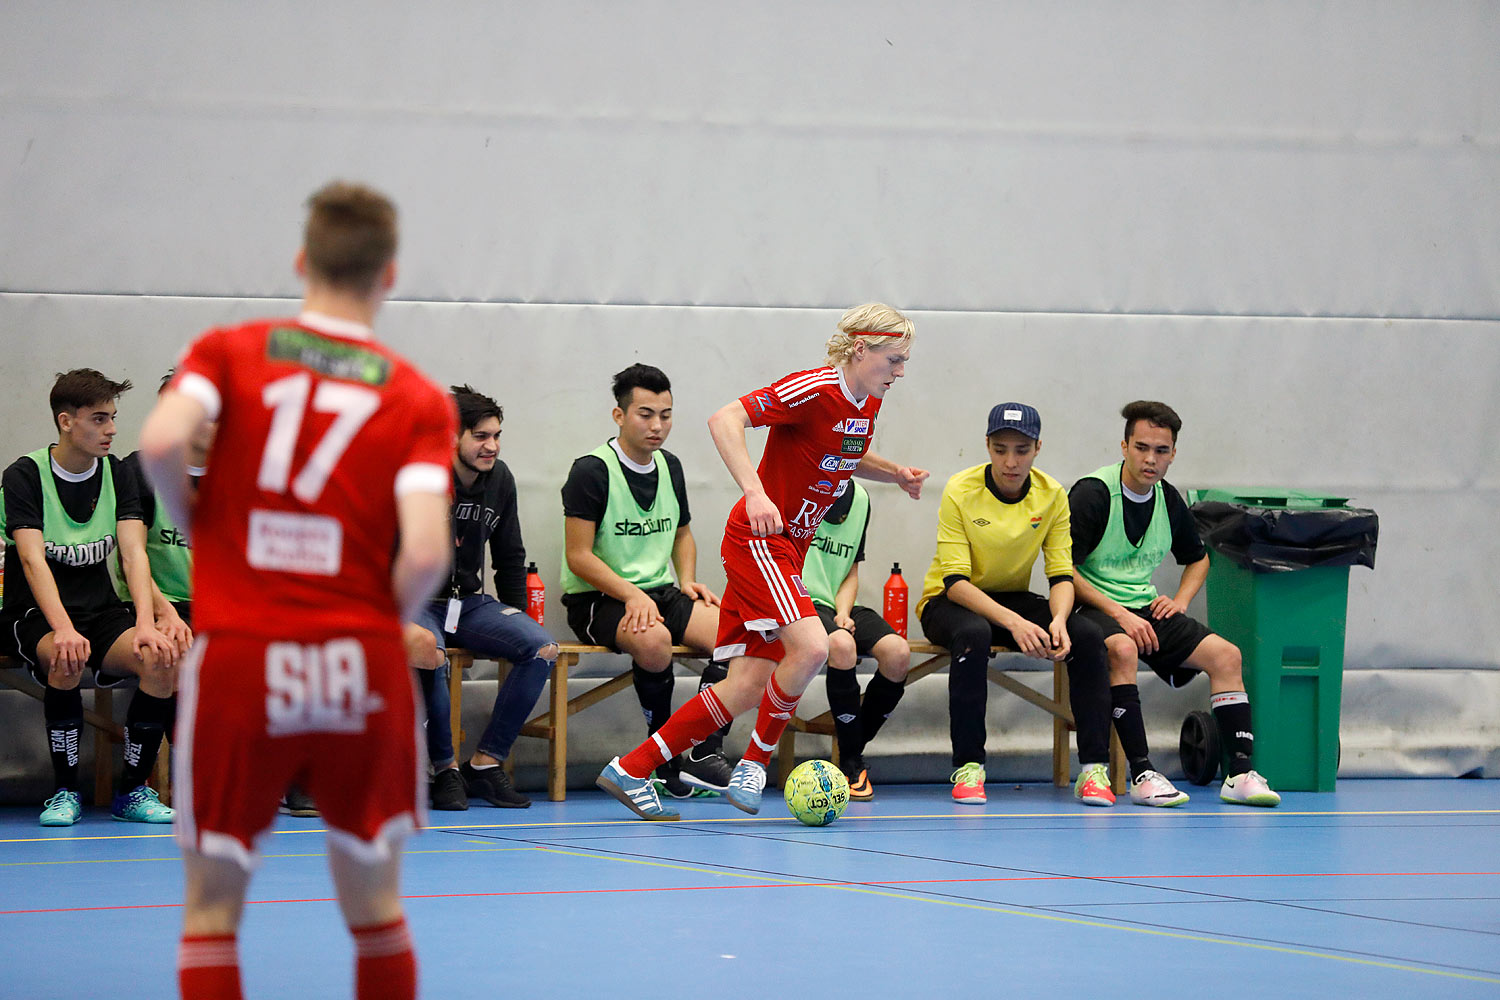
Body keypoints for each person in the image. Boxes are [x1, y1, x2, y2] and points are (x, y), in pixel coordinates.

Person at [140, 181, 455, 1000]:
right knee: (378, 909)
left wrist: (198, 519)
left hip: (244, 653)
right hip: (358, 659)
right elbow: (426, 551)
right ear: (389, 275)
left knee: (211, 911)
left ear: (300, 260)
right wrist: (373, 624)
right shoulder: (417, 397)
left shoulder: (231, 350)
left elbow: (162, 438)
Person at [597, 302, 929, 820]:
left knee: (748, 685)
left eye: (905, 361)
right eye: (894, 360)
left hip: (788, 551)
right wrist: (754, 491)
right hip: (759, 540)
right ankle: (756, 762)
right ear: (860, 349)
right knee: (815, 646)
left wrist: (896, 474)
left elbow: (843, 452)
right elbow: (724, 418)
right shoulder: (815, 387)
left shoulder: (867, 401)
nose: (901, 372)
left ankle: (632, 768)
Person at [1070, 401, 1281, 807]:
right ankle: (1143, 773)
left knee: (1227, 656)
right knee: (1123, 646)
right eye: (1142, 447)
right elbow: (1065, 570)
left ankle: (1238, 775)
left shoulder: (1167, 499)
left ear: (1173, 454)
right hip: (1092, 608)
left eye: (1161, 451)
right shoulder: (1093, 494)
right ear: (1124, 446)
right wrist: (1118, 614)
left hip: (1145, 609)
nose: (1150, 459)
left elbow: (1199, 558)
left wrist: (1180, 601)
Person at [1, 368, 182, 827]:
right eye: (100, 419)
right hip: (35, 613)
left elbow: (133, 553)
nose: (112, 430)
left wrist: (145, 621)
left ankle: (132, 792)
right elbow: (31, 561)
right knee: (66, 658)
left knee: (161, 660)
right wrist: (62, 628)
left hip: (100, 611)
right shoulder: (24, 475)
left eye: (114, 418)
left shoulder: (117, 472)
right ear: (66, 421)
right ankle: (64, 792)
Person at [917, 403, 1116, 807]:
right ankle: (969, 767)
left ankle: (1094, 770)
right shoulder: (960, 489)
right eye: (1001, 448)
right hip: (950, 601)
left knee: (1088, 636)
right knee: (974, 633)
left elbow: (1061, 574)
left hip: (1011, 598)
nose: (1010, 461)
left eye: (1022, 450)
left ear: (1038, 448)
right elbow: (955, 582)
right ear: (987, 446)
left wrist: (1059, 619)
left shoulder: (1052, 495)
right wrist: (1016, 624)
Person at [562, 364, 734, 797]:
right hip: (598, 599)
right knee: (653, 641)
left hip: (659, 592)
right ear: (619, 416)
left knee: (739, 635)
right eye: (645, 414)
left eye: (666, 414)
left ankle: (700, 751)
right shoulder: (591, 471)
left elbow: (683, 533)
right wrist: (631, 594)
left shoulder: (670, 466)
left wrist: (688, 579)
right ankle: (660, 762)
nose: (658, 426)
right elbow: (578, 556)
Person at [409, 384, 559, 810]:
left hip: (468, 603)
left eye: (496, 436)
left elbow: (510, 558)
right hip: (418, 601)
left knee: (542, 648)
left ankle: (485, 764)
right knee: (429, 654)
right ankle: (444, 769)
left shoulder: (501, 480)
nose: (491, 446)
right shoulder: (421, 478)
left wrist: (520, 619)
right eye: (480, 437)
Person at [803, 479, 910, 799]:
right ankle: (851, 762)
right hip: (796, 601)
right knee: (842, 645)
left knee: (898, 653)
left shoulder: (860, 498)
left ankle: (853, 743)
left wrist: (844, 612)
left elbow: (850, 569)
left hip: (835, 602)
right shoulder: (802, 484)